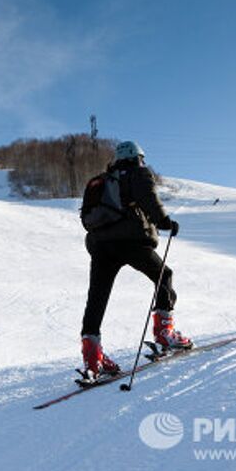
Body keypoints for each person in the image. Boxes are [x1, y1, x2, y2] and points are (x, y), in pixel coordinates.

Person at [80, 141, 191, 377]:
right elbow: (147, 197)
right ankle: (164, 334)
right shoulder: (136, 173)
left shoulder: (102, 180)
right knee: (164, 275)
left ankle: (93, 357)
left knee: (97, 297)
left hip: (100, 245)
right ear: (137, 157)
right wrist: (164, 222)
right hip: (130, 241)